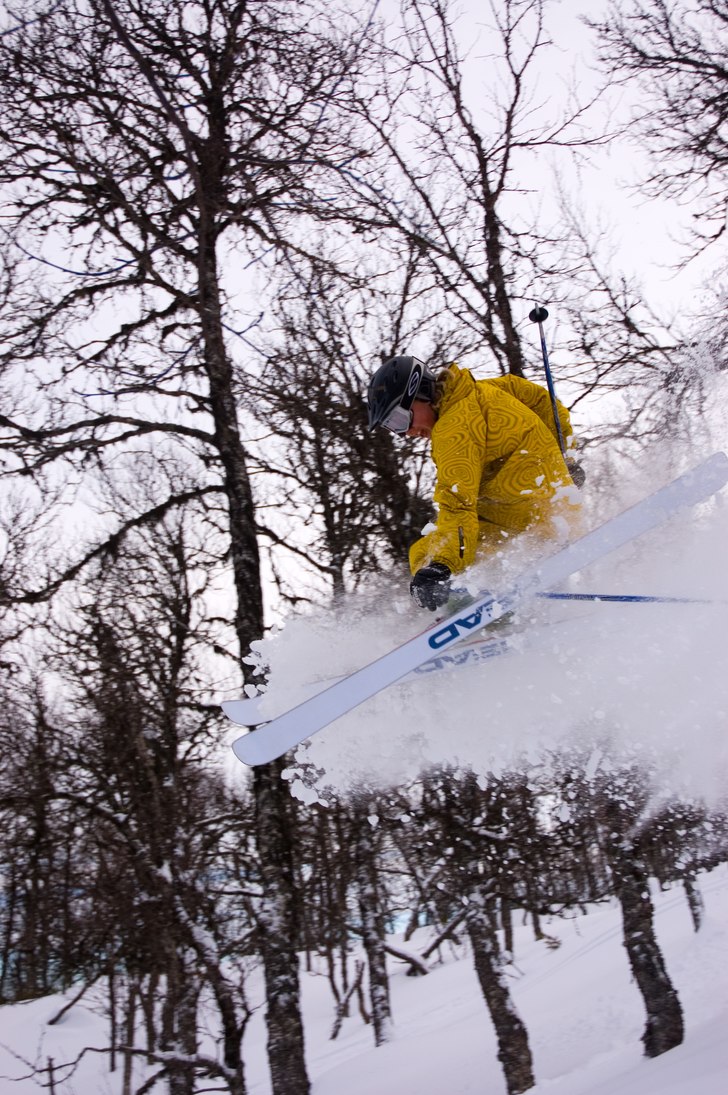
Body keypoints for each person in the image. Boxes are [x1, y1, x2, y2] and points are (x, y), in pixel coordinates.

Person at [367, 355, 583, 610]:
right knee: (452, 539)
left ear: (420, 391)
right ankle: (489, 598)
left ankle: (476, 613)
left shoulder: (453, 430)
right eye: (393, 428)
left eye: (399, 420)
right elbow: (539, 398)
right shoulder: (479, 390)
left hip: (526, 520)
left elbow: (458, 503)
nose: (406, 433)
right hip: (556, 506)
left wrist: (441, 566)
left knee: (426, 552)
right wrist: (565, 459)